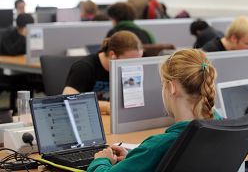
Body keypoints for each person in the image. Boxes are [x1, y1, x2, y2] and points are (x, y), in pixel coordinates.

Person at [87, 49, 219, 172]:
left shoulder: (160, 145)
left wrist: (101, 160)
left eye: (163, 85)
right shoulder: (221, 125)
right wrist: (135, 158)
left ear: (172, 87)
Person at [63, 31, 143, 115]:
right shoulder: (84, 67)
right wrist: (106, 106)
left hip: (114, 118)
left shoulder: (131, 67)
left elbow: (132, 98)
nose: (133, 66)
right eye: (129, 62)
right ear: (113, 55)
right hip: (88, 117)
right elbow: (68, 100)